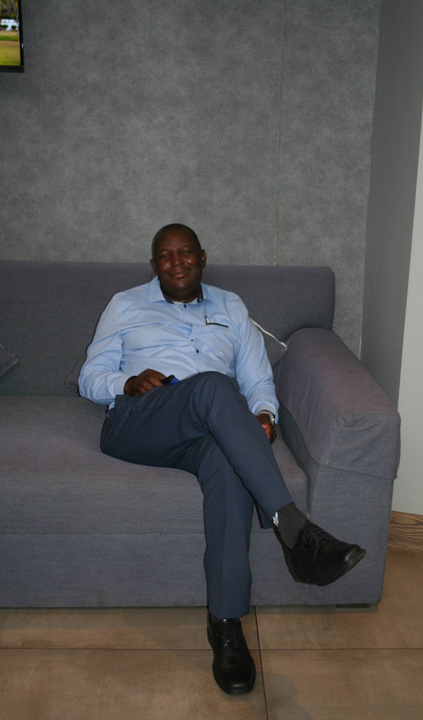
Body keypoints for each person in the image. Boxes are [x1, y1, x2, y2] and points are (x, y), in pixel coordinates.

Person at [79, 223, 366, 695]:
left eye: (185, 252)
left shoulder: (231, 306)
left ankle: (227, 626)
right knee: (213, 385)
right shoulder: (125, 304)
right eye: (165, 256)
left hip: (209, 428)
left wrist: (265, 416)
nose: (176, 262)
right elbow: (91, 376)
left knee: (229, 464)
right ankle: (296, 531)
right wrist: (126, 382)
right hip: (140, 421)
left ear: (202, 257)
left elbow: (256, 379)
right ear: (154, 266)